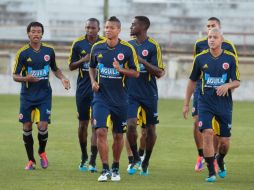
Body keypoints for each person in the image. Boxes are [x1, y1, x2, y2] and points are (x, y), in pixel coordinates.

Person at [183, 28, 240, 182]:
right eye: (209, 37)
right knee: (207, 133)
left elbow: (237, 81)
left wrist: (227, 86)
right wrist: (186, 103)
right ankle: (210, 172)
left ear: (221, 39)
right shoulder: (200, 58)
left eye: (215, 37)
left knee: (224, 142)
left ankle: (220, 159)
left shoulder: (230, 59)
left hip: (224, 104)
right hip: (205, 102)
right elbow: (192, 81)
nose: (211, 40)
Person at [13, 21, 70, 170]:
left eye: (38, 31)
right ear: (28, 34)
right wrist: (27, 79)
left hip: (44, 95)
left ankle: (42, 152)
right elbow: (15, 76)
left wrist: (63, 78)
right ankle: (31, 160)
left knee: (43, 126)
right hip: (27, 96)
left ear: (42, 34)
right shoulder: (23, 53)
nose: (36, 34)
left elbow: (55, 69)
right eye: (33, 31)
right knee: (27, 127)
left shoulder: (49, 51)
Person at [89, 16, 140, 182]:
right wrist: (93, 81)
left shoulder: (127, 49)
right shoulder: (97, 47)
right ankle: (105, 170)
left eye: (111, 28)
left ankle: (116, 167)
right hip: (100, 98)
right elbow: (91, 67)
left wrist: (121, 69)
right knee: (100, 131)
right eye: (106, 27)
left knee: (118, 136)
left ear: (118, 30)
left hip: (120, 100)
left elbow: (136, 72)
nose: (107, 30)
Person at [127, 16, 165, 176]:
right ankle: (135, 158)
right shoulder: (127, 46)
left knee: (150, 130)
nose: (130, 26)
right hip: (130, 93)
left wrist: (142, 61)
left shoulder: (153, 46)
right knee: (130, 125)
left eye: (133, 24)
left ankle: (146, 160)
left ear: (143, 27)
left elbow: (159, 72)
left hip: (149, 94)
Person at [68, 18, 105, 172]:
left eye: (93, 28)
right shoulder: (78, 44)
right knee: (83, 125)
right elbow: (70, 66)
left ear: (99, 28)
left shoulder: (104, 44)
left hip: (100, 91)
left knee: (96, 126)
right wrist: (83, 60)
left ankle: (92, 160)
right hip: (83, 90)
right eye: (88, 27)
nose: (90, 30)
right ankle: (83, 155)